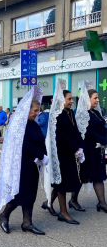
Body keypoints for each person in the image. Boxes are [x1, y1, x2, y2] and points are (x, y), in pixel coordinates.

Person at [0, 87, 47, 235]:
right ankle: (4, 215)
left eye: (38, 111)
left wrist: (43, 155)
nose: (37, 114)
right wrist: (40, 155)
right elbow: (24, 145)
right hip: (22, 165)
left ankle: (27, 223)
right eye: (35, 111)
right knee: (18, 194)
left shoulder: (34, 124)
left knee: (30, 195)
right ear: (27, 109)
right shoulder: (19, 124)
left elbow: (40, 141)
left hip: (33, 165)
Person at [43, 81, 83, 225]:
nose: (72, 101)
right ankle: (63, 212)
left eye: (72, 99)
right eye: (69, 99)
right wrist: (74, 148)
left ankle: (48, 202)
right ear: (61, 100)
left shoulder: (70, 112)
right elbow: (61, 137)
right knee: (63, 183)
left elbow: (75, 131)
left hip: (71, 151)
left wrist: (80, 146)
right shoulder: (56, 115)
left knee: (65, 181)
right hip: (61, 154)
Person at [74, 82, 107, 213]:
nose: (98, 100)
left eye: (98, 98)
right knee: (83, 176)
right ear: (88, 99)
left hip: (98, 149)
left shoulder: (96, 113)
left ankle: (102, 203)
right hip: (89, 149)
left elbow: (102, 127)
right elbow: (87, 131)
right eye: (95, 98)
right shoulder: (83, 113)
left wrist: (105, 138)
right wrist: (103, 140)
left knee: (98, 176)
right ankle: (73, 199)